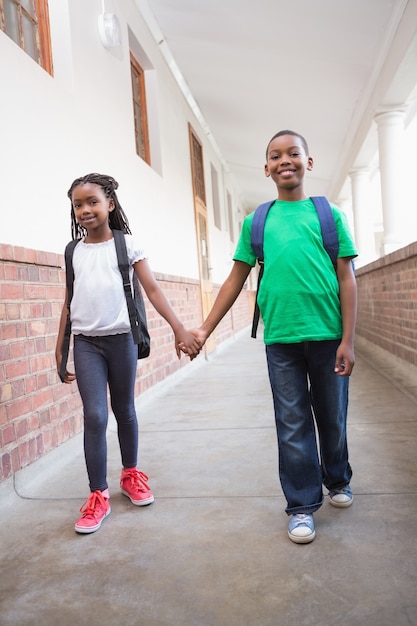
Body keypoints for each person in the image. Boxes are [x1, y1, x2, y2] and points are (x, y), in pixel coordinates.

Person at [190, 130, 357, 544]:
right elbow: (234, 280)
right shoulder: (256, 222)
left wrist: (348, 340)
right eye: (276, 156)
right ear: (266, 169)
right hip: (280, 339)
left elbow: (347, 279)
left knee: (332, 419)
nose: (286, 161)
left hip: (328, 336)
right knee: (292, 422)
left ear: (308, 162)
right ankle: (301, 505)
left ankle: (337, 477)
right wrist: (204, 329)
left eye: (294, 153)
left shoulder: (328, 215)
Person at [55, 173, 201, 534]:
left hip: (121, 340)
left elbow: (152, 290)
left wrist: (179, 328)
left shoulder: (127, 246)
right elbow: (68, 304)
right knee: (94, 415)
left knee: (125, 410)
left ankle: (131, 475)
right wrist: (61, 353)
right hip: (86, 343)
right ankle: (97, 494)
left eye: (92, 202)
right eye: (78, 204)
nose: (85, 209)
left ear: (110, 204)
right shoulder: (73, 251)